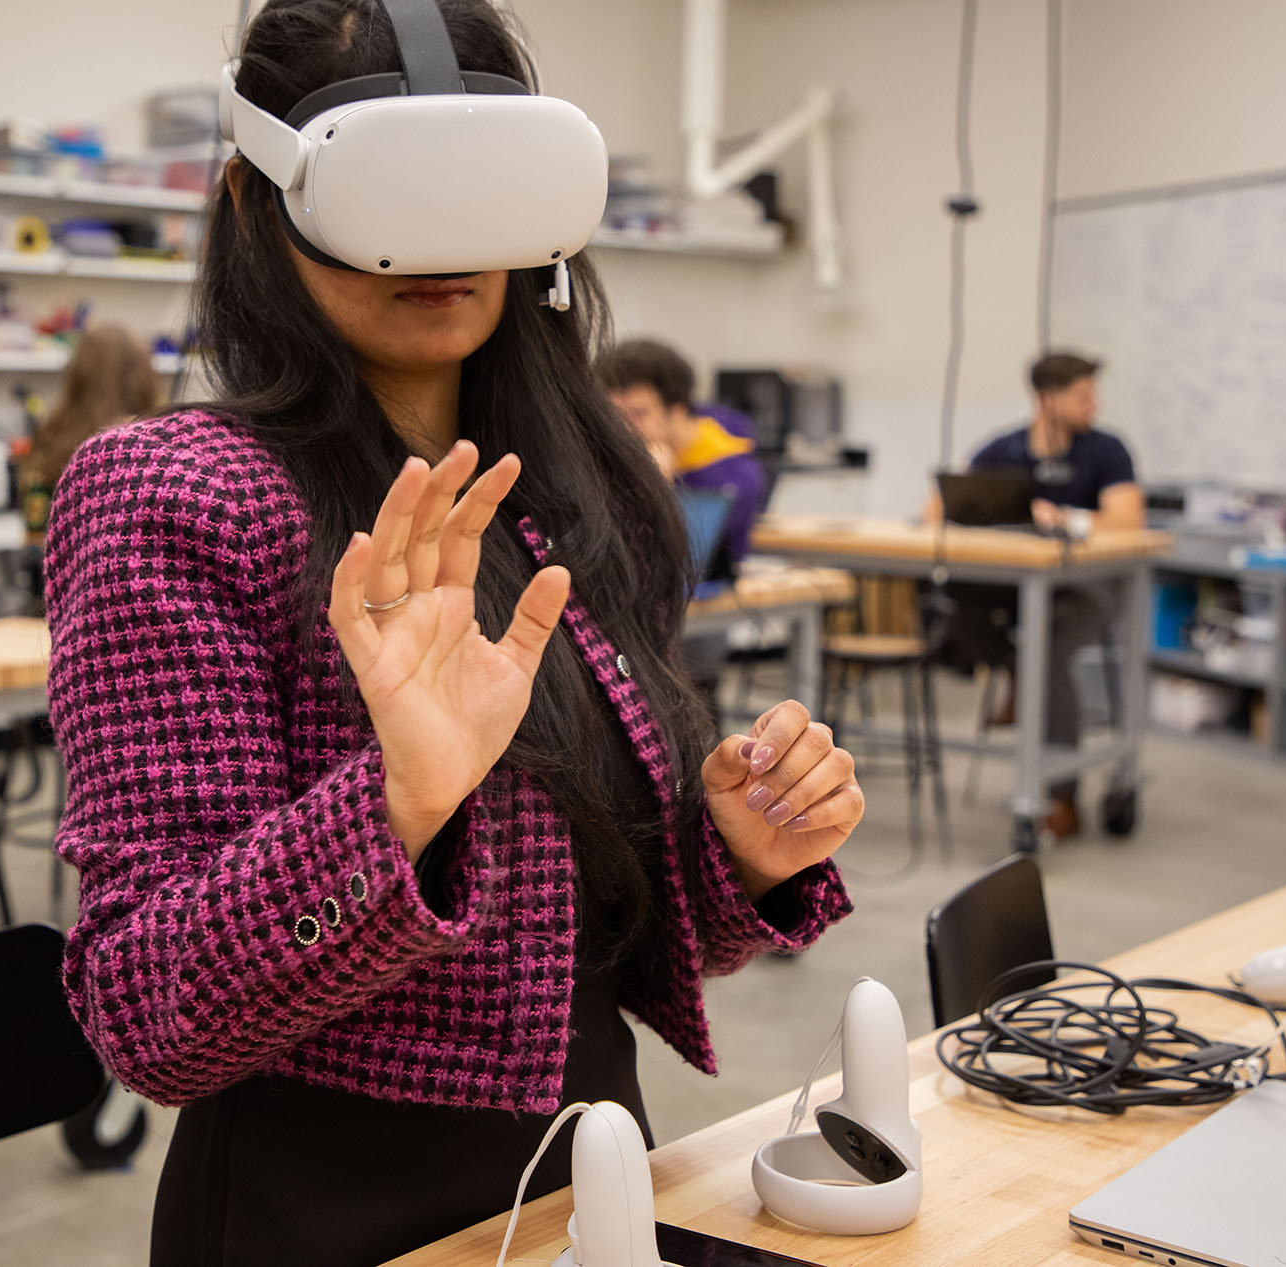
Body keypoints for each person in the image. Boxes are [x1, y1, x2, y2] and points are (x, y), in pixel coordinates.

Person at [43, 4, 864, 1264]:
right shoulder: (176, 493)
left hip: (589, 1173)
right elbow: (149, 1013)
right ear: (259, 202)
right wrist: (397, 806)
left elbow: (622, 932)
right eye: (388, 189)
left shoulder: (586, 491)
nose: (435, 246)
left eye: (474, 187)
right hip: (319, 1203)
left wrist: (740, 858)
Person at [931, 351, 1143, 838]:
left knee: (1045, 652)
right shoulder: (1003, 450)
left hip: (1092, 585)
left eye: (1093, 394)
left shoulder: (1107, 451)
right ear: (1047, 400)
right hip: (1018, 586)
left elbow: (1129, 519)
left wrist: (1067, 518)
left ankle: (1061, 795)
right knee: (955, 601)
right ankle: (1016, 670)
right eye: (1082, 395)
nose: (1094, 404)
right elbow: (943, 503)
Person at [598, 337, 768, 578]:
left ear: (677, 411)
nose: (624, 428)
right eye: (614, 415)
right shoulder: (618, 455)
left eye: (638, 414)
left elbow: (683, 558)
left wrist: (655, 487)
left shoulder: (736, 473)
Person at [20, 325, 163, 546]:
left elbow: (34, 534)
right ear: (142, 375)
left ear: (78, 374)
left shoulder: (51, 436)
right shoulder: (155, 443)